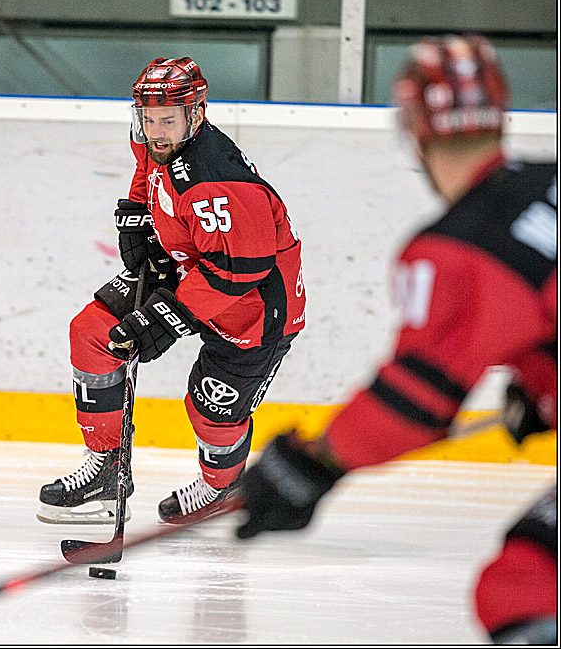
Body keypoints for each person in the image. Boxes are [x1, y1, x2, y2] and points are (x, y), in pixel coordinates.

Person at [235, 35, 556, 645]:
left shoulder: (462, 246)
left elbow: (415, 402)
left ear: (415, 129)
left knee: (526, 581)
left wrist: (312, 462)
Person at [38, 57, 306, 525]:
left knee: (210, 407)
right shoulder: (155, 140)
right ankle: (107, 467)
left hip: (254, 309)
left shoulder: (218, 181)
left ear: (196, 114)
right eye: (148, 118)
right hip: (188, 270)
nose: (155, 129)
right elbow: (147, 171)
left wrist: (166, 317)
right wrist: (138, 217)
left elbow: (237, 270)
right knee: (93, 333)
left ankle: (223, 487)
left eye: (167, 120)